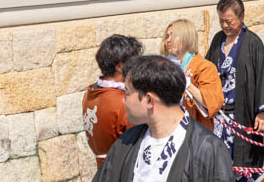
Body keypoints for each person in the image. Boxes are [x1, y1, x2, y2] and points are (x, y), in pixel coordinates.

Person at [92, 55, 234, 182]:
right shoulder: (127, 141)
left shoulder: (208, 149)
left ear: (149, 100)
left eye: (127, 93)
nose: (123, 101)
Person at [204, 0, 264, 175]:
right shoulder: (217, 39)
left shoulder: (253, 43)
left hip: (243, 114)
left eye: (229, 21)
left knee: (243, 165)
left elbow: (262, 77)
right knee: (217, 164)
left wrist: (262, 111)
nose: (225, 26)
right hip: (219, 116)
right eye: (221, 21)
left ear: (241, 17)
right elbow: (207, 69)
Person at [83, 35, 144, 169]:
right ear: (120, 65)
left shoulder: (90, 93)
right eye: (133, 61)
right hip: (121, 169)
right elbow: (139, 143)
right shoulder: (122, 103)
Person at [161, 20, 223, 131]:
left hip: (195, 135)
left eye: (173, 35)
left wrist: (186, 83)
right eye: (167, 36)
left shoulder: (205, 67)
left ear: (186, 38)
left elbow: (212, 104)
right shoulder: (164, 67)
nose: (168, 40)